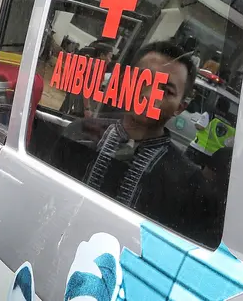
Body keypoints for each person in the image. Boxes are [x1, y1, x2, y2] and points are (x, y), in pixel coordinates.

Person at [46, 41, 220, 245]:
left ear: (180, 107)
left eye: (166, 90)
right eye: (143, 80)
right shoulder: (79, 134)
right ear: (124, 83)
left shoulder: (188, 183)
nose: (149, 94)